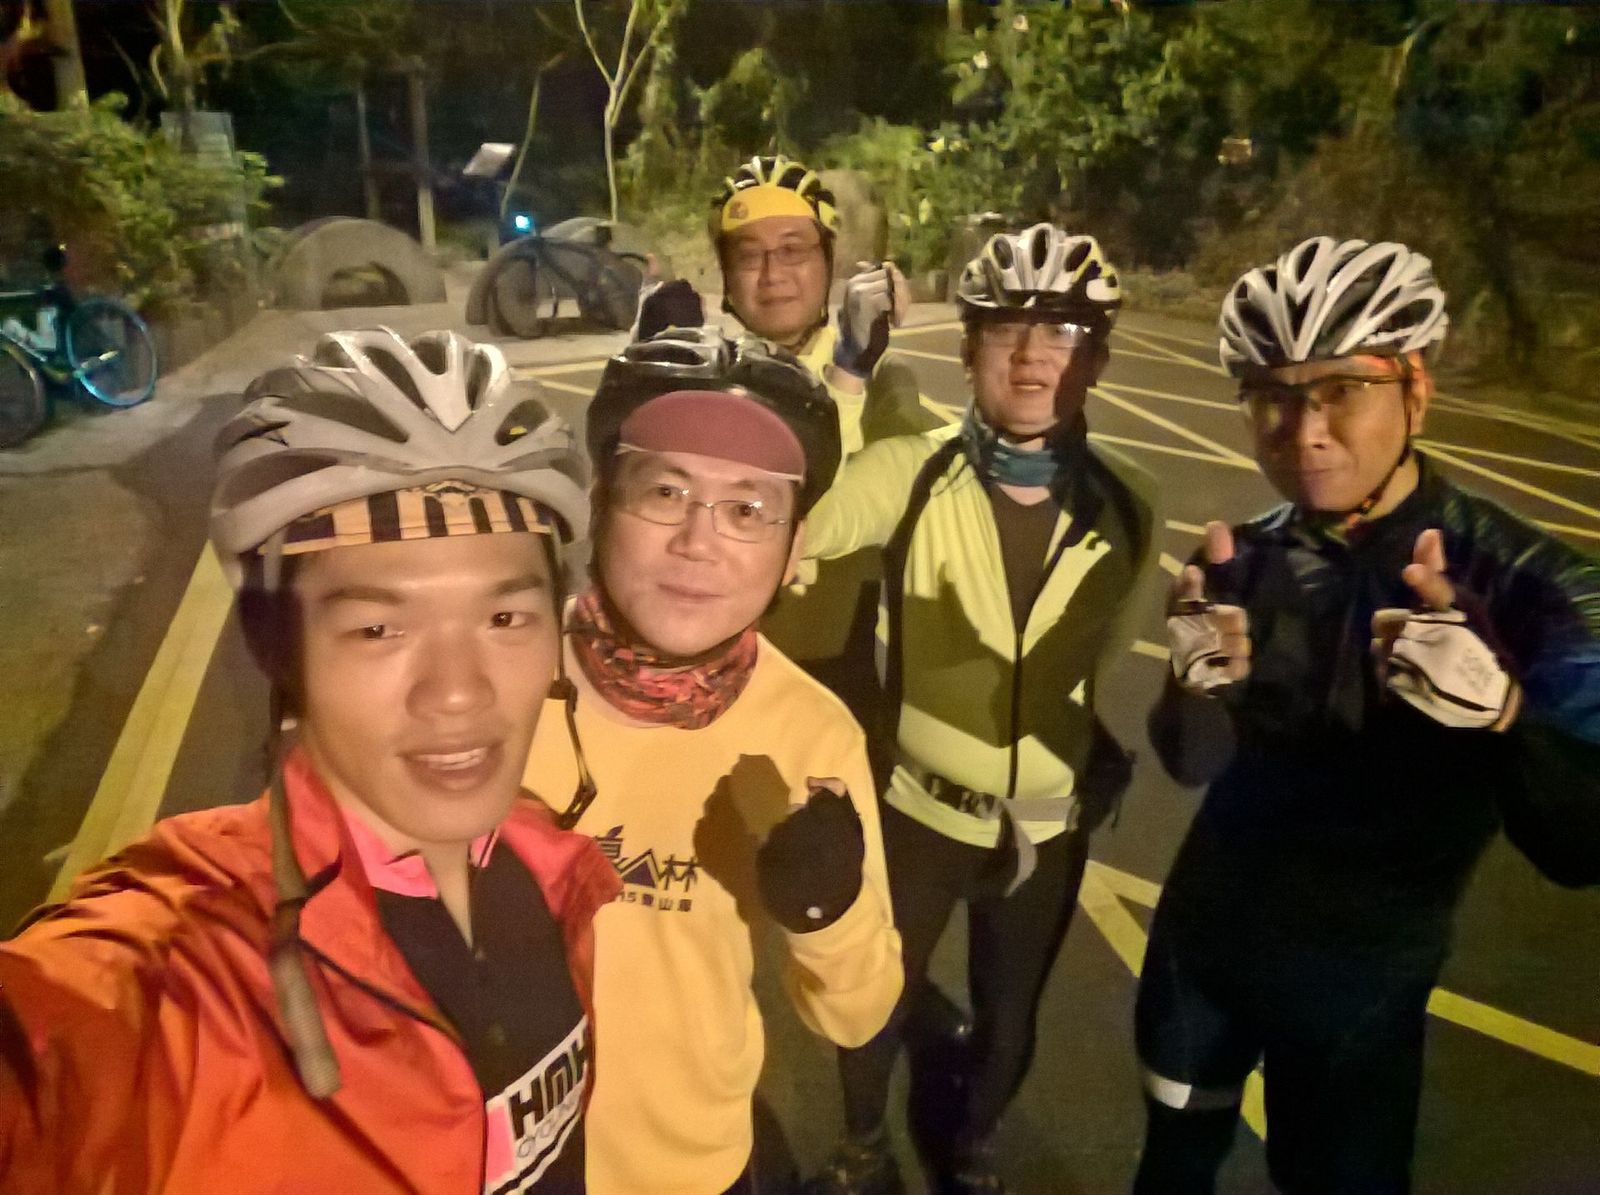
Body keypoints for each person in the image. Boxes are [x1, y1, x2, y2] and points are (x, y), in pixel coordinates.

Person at [0, 329, 618, 1193]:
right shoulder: (178, 972)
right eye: (378, 628)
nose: (458, 692)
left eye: (505, 618)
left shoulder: (545, 858)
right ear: (278, 649)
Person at [1135, 237, 1600, 1194]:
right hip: (1204, 949)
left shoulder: (1530, 580)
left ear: (1416, 388)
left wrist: (1504, 714)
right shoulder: (1240, 557)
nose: (1304, 430)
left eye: (1341, 388)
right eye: (1272, 394)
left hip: (1360, 988)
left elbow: (1581, 844)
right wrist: (1190, 688)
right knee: (1171, 1172)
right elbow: (1191, 761)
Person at [803, 225, 1165, 1195]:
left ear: (1097, 358)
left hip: (1043, 825)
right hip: (916, 811)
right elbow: (806, 520)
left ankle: (971, 1149)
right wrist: (847, 375)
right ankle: (861, 1147)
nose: (1033, 355)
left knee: (1010, 1020)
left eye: (1064, 333)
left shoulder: (1132, 502)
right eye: (1006, 329)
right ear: (967, 351)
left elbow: (1101, 659)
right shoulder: (911, 469)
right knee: (871, 1000)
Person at [521, 327, 904, 1195]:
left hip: (687, 1168)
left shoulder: (811, 733)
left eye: (747, 509)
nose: (699, 540)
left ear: (794, 546)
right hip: (473, 1160)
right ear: (601, 500)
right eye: (666, 490)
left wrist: (830, 908)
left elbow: (857, 1014)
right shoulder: (495, 677)